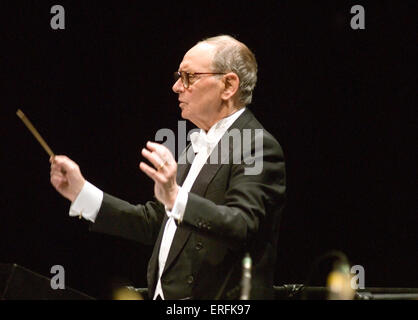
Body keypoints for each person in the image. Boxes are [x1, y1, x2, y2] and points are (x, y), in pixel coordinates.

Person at [49, 35, 286, 300]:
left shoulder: (258, 145)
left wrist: (175, 196)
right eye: (178, 76)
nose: (176, 87)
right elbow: (157, 221)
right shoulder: (198, 143)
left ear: (228, 85)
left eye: (188, 77)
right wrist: (82, 193)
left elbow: (242, 224)